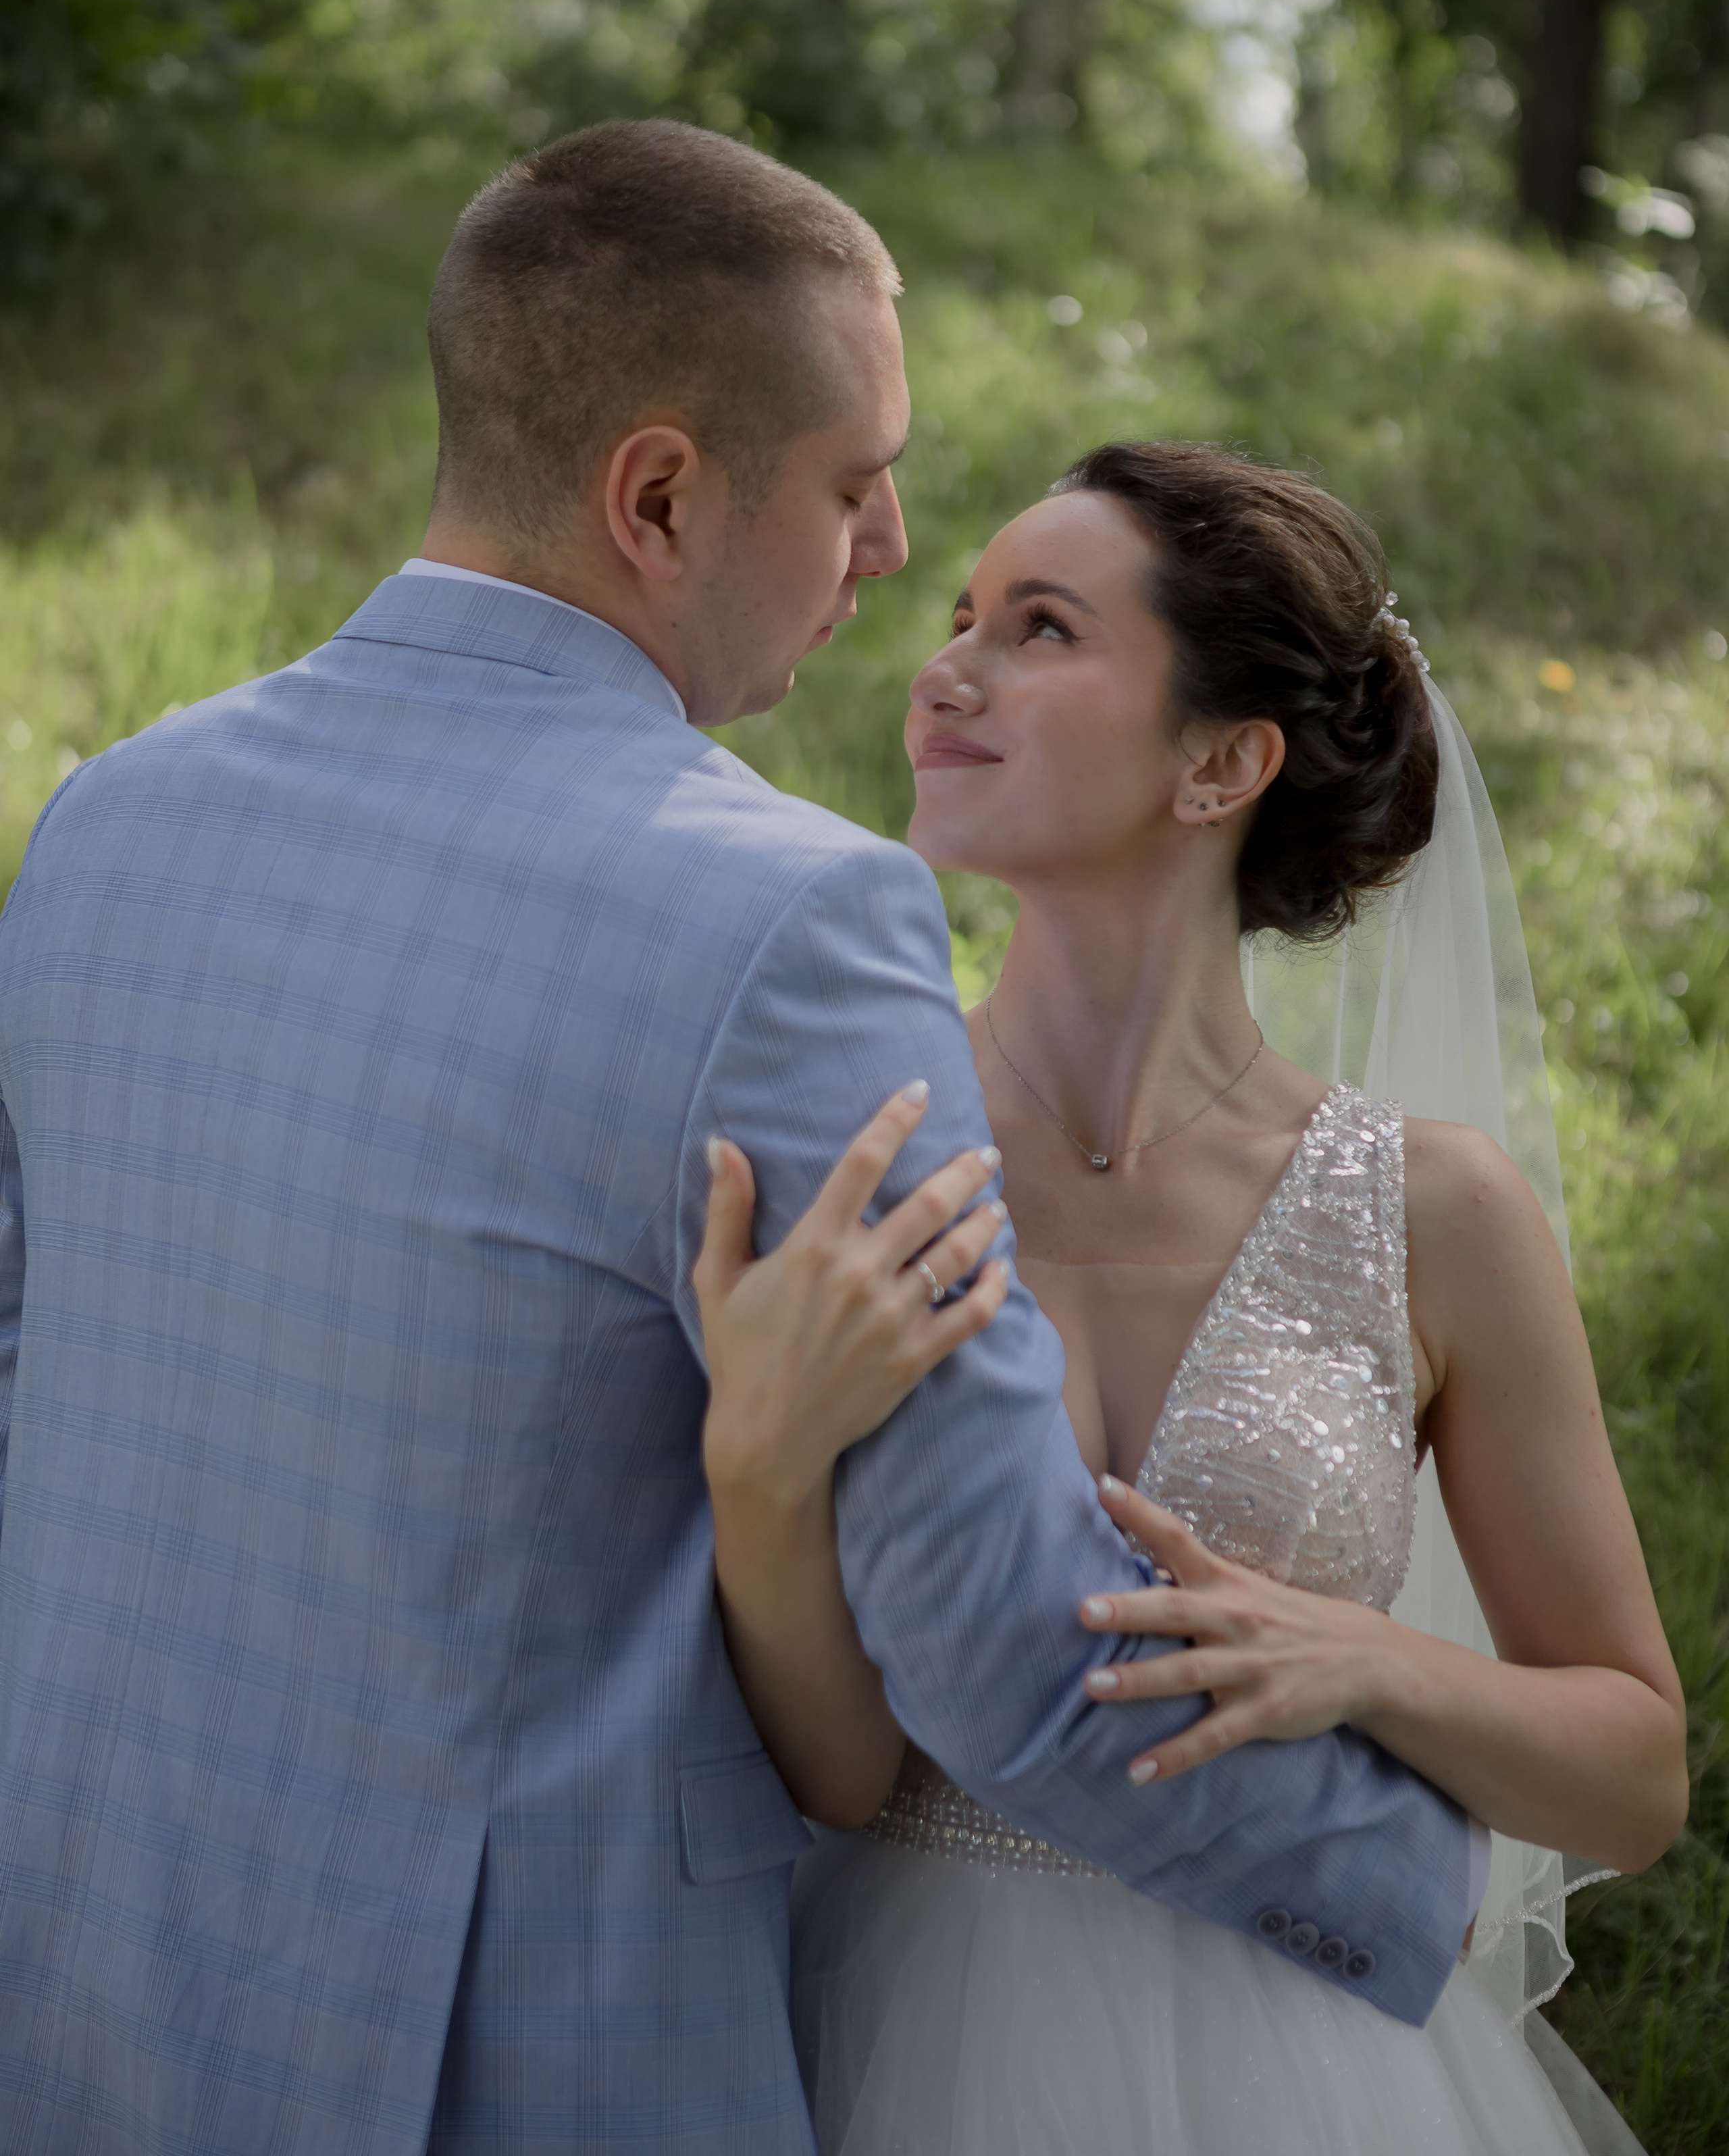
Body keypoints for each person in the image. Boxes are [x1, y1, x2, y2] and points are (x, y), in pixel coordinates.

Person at [0, 128, 1477, 2155]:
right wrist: (1420, 1893)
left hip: (79, 1975)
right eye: (860, 485)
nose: (886, 558)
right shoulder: (787, 919)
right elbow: (1002, 1657)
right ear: (663, 497)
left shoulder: (108, 817)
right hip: (501, 2048)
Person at [692, 441, 1686, 2156]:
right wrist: (761, 1470)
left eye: (1041, 628)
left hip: (1308, 2053)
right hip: (885, 2020)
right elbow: (839, 1775)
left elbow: (1631, 1771)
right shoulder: (852, 1160)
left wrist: (1359, 1659)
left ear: (1221, 760)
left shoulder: (1433, 1210)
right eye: (959, 617)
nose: (946, 668)